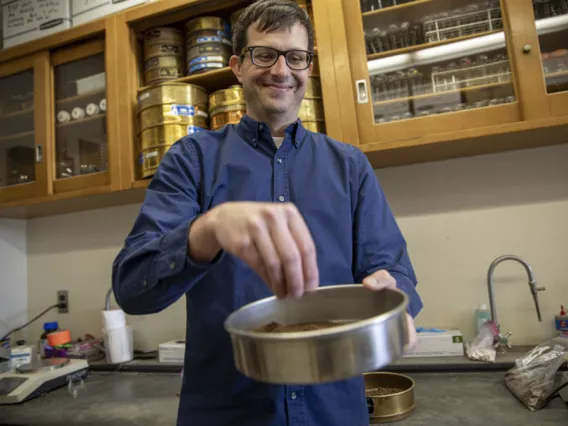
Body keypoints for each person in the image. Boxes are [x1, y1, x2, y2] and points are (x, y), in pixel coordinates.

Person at [112, 1, 422, 425]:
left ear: (308, 68)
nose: (281, 70)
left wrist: (394, 295)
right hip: (225, 413)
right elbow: (132, 288)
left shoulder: (350, 166)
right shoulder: (192, 159)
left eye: (296, 57)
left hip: (333, 413)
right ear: (238, 66)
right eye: (265, 55)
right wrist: (208, 229)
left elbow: (394, 269)